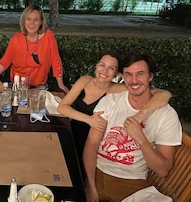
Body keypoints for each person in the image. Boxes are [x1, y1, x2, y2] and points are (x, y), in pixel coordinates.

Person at [83, 53, 182, 202]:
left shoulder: (166, 115)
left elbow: (163, 170)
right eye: (128, 74)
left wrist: (141, 139)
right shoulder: (111, 102)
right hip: (98, 172)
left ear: (150, 77)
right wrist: (90, 186)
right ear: (123, 77)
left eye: (140, 74)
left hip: (132, 182)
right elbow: (91, 144)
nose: (134, 80)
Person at [57, 52, 172, 180]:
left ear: (117, 74)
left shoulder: (118, 89)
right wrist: (88, 119)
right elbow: (62, 107)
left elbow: (164, 94)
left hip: (90, 140)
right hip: (72, 132)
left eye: (111, 68)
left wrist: (141, 114)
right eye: (102, 65)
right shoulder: (85, 81)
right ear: (96, 66)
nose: (104, 71)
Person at [0, 4, 69, 93]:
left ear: (41, 22)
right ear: (23, 21)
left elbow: (55, 60)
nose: (32, 23)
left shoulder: (48, 37)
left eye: (36, 19)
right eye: (28, 19)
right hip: (18, 86)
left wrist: (61, 84)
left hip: (39, 87)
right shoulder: (15, 39)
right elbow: (4, 61)